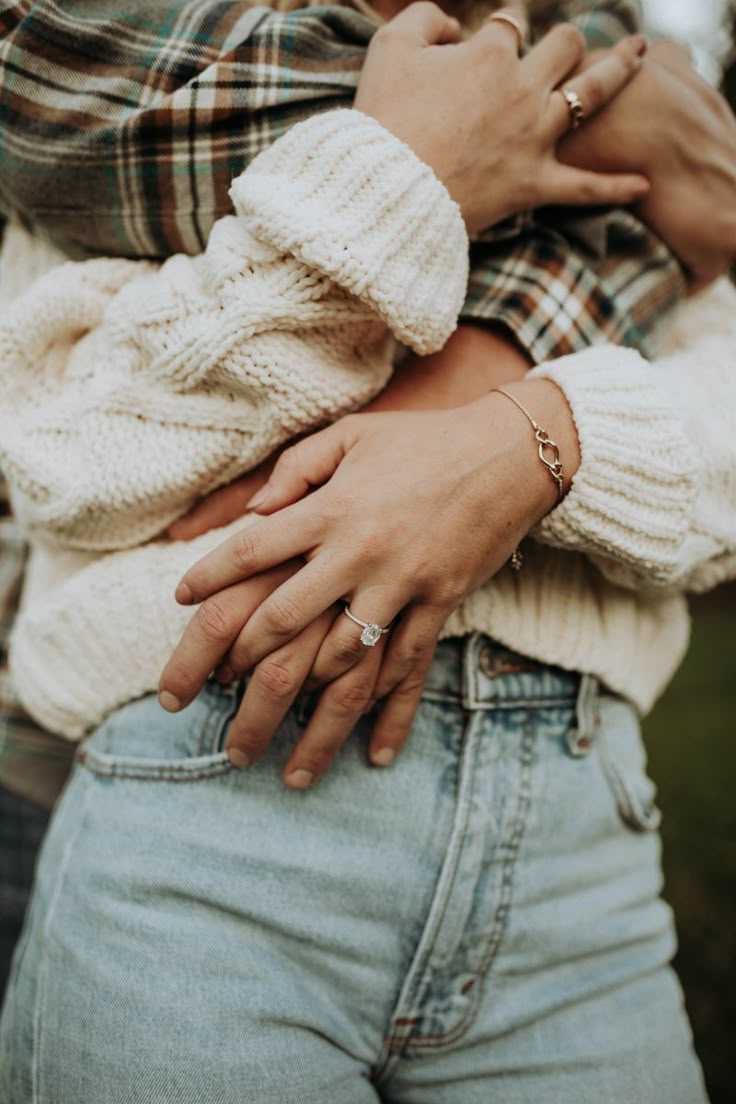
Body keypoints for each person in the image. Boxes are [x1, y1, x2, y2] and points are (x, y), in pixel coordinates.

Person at [0, 4, 734, 1102]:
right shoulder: (113, 62)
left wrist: (522, 445)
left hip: (577, 864)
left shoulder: (617, 46)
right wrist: (413, 165)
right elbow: (74, 461)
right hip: (205, 817)